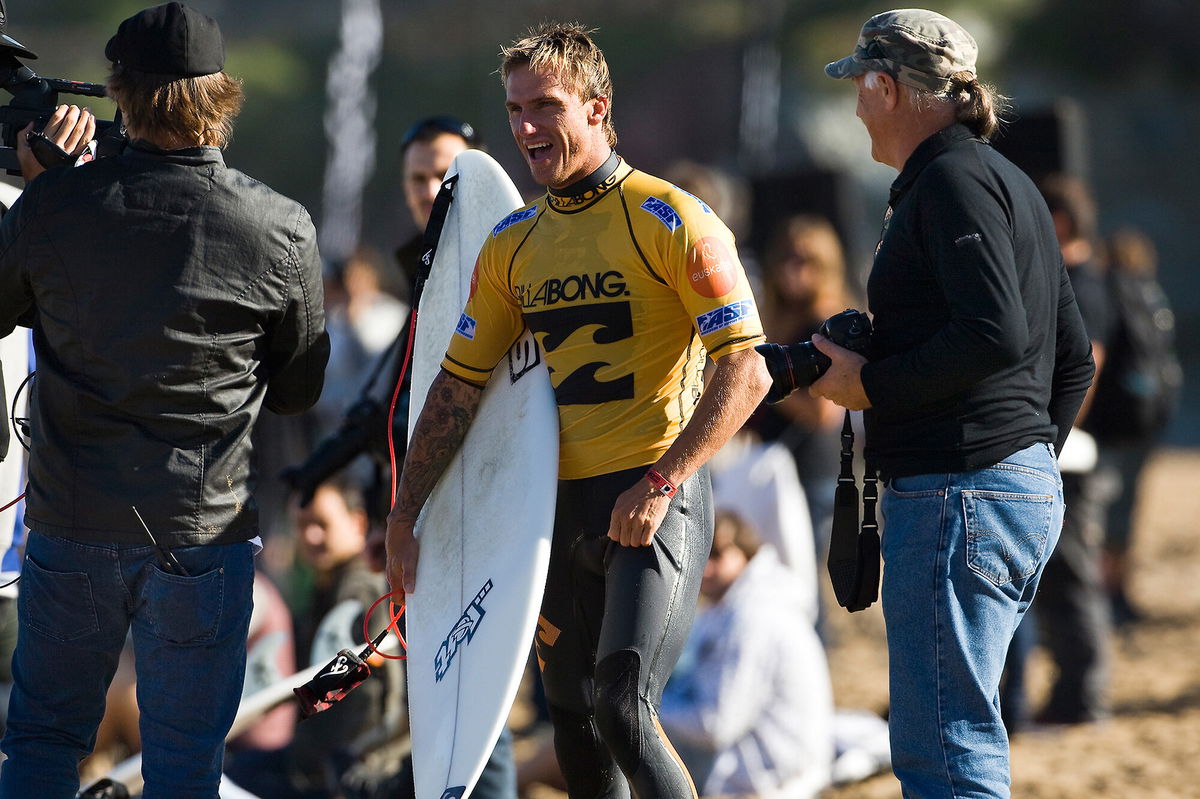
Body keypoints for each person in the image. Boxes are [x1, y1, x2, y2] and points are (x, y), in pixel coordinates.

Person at [386, 21, 771, 798]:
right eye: (516, 108)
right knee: (572, 726)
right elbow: (457, 390)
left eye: (546, 106)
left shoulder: (672, 219)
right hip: (552, 511)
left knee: (622, 705)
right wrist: (405, 514)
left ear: (598, 108)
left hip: (653, 497)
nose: (526, 126)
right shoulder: (512, 245)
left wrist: (661, 483)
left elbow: (747, 371)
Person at [0, 3, 329, 796]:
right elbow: (298, 389)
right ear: (223, 96)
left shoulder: (55, 205)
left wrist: (44, 192)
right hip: (204, 526)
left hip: (74, 520)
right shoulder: (281, 225)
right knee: (188, 762)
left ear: (120, 91)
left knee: (44, 740)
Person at [815, 10, 1093, 797]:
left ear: (886, 85)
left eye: (860, 88)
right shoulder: (1011, 184)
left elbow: (993, 332)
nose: (857, 105)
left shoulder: (950, 182)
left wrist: (866, 385)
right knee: (962, 731)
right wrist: (1026, 457)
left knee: (944, 745)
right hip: (1008, 486)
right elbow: (1070, 359)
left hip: (958, 492)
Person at [659, 510, 834, 799]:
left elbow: (716, 724)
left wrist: (644, 711)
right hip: (746, 766)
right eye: (698, 557)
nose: (705, 569)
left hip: (766, 780)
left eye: (715, 556)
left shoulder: (755, 616)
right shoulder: (731, 605)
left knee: (593, 753)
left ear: (747, 553)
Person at [1031, 173, 1115, 726]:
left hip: (1071, 459)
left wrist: (1050, 437)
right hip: (1068, 453)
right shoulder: (1083, 279)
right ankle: (1074, 691)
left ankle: (1083, 695)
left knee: (1071, 580)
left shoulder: (1082, 283)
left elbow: (1087, 363)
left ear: (1058, 223)